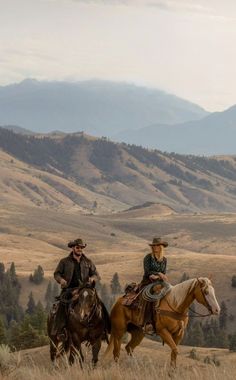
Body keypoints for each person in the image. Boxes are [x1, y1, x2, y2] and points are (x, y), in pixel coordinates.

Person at [51, 238, 109, 339]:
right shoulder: (64, 261)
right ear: (73, 248)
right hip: (69, 289)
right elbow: (57, 274)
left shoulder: (88, 262)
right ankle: (59, 330)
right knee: (62, 305)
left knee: (100, 304)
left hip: (85, 289)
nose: (80, 249)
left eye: (81, 248)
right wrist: (61, 280)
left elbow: (96, 274)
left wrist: (92, 278)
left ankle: (104, 329)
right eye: (78, 247)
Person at [140, 237, 169, 334]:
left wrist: (161, 276)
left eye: (157, 245)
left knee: (169, 293)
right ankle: (148, 322)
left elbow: (164, 272)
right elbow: (147, 271)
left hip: (159, 282)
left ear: (161, 247)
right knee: (150, 297)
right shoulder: (148, 257)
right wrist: (158, 274)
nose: (155, 247)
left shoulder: (164, 259)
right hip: (147, 281)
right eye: (154, 245)